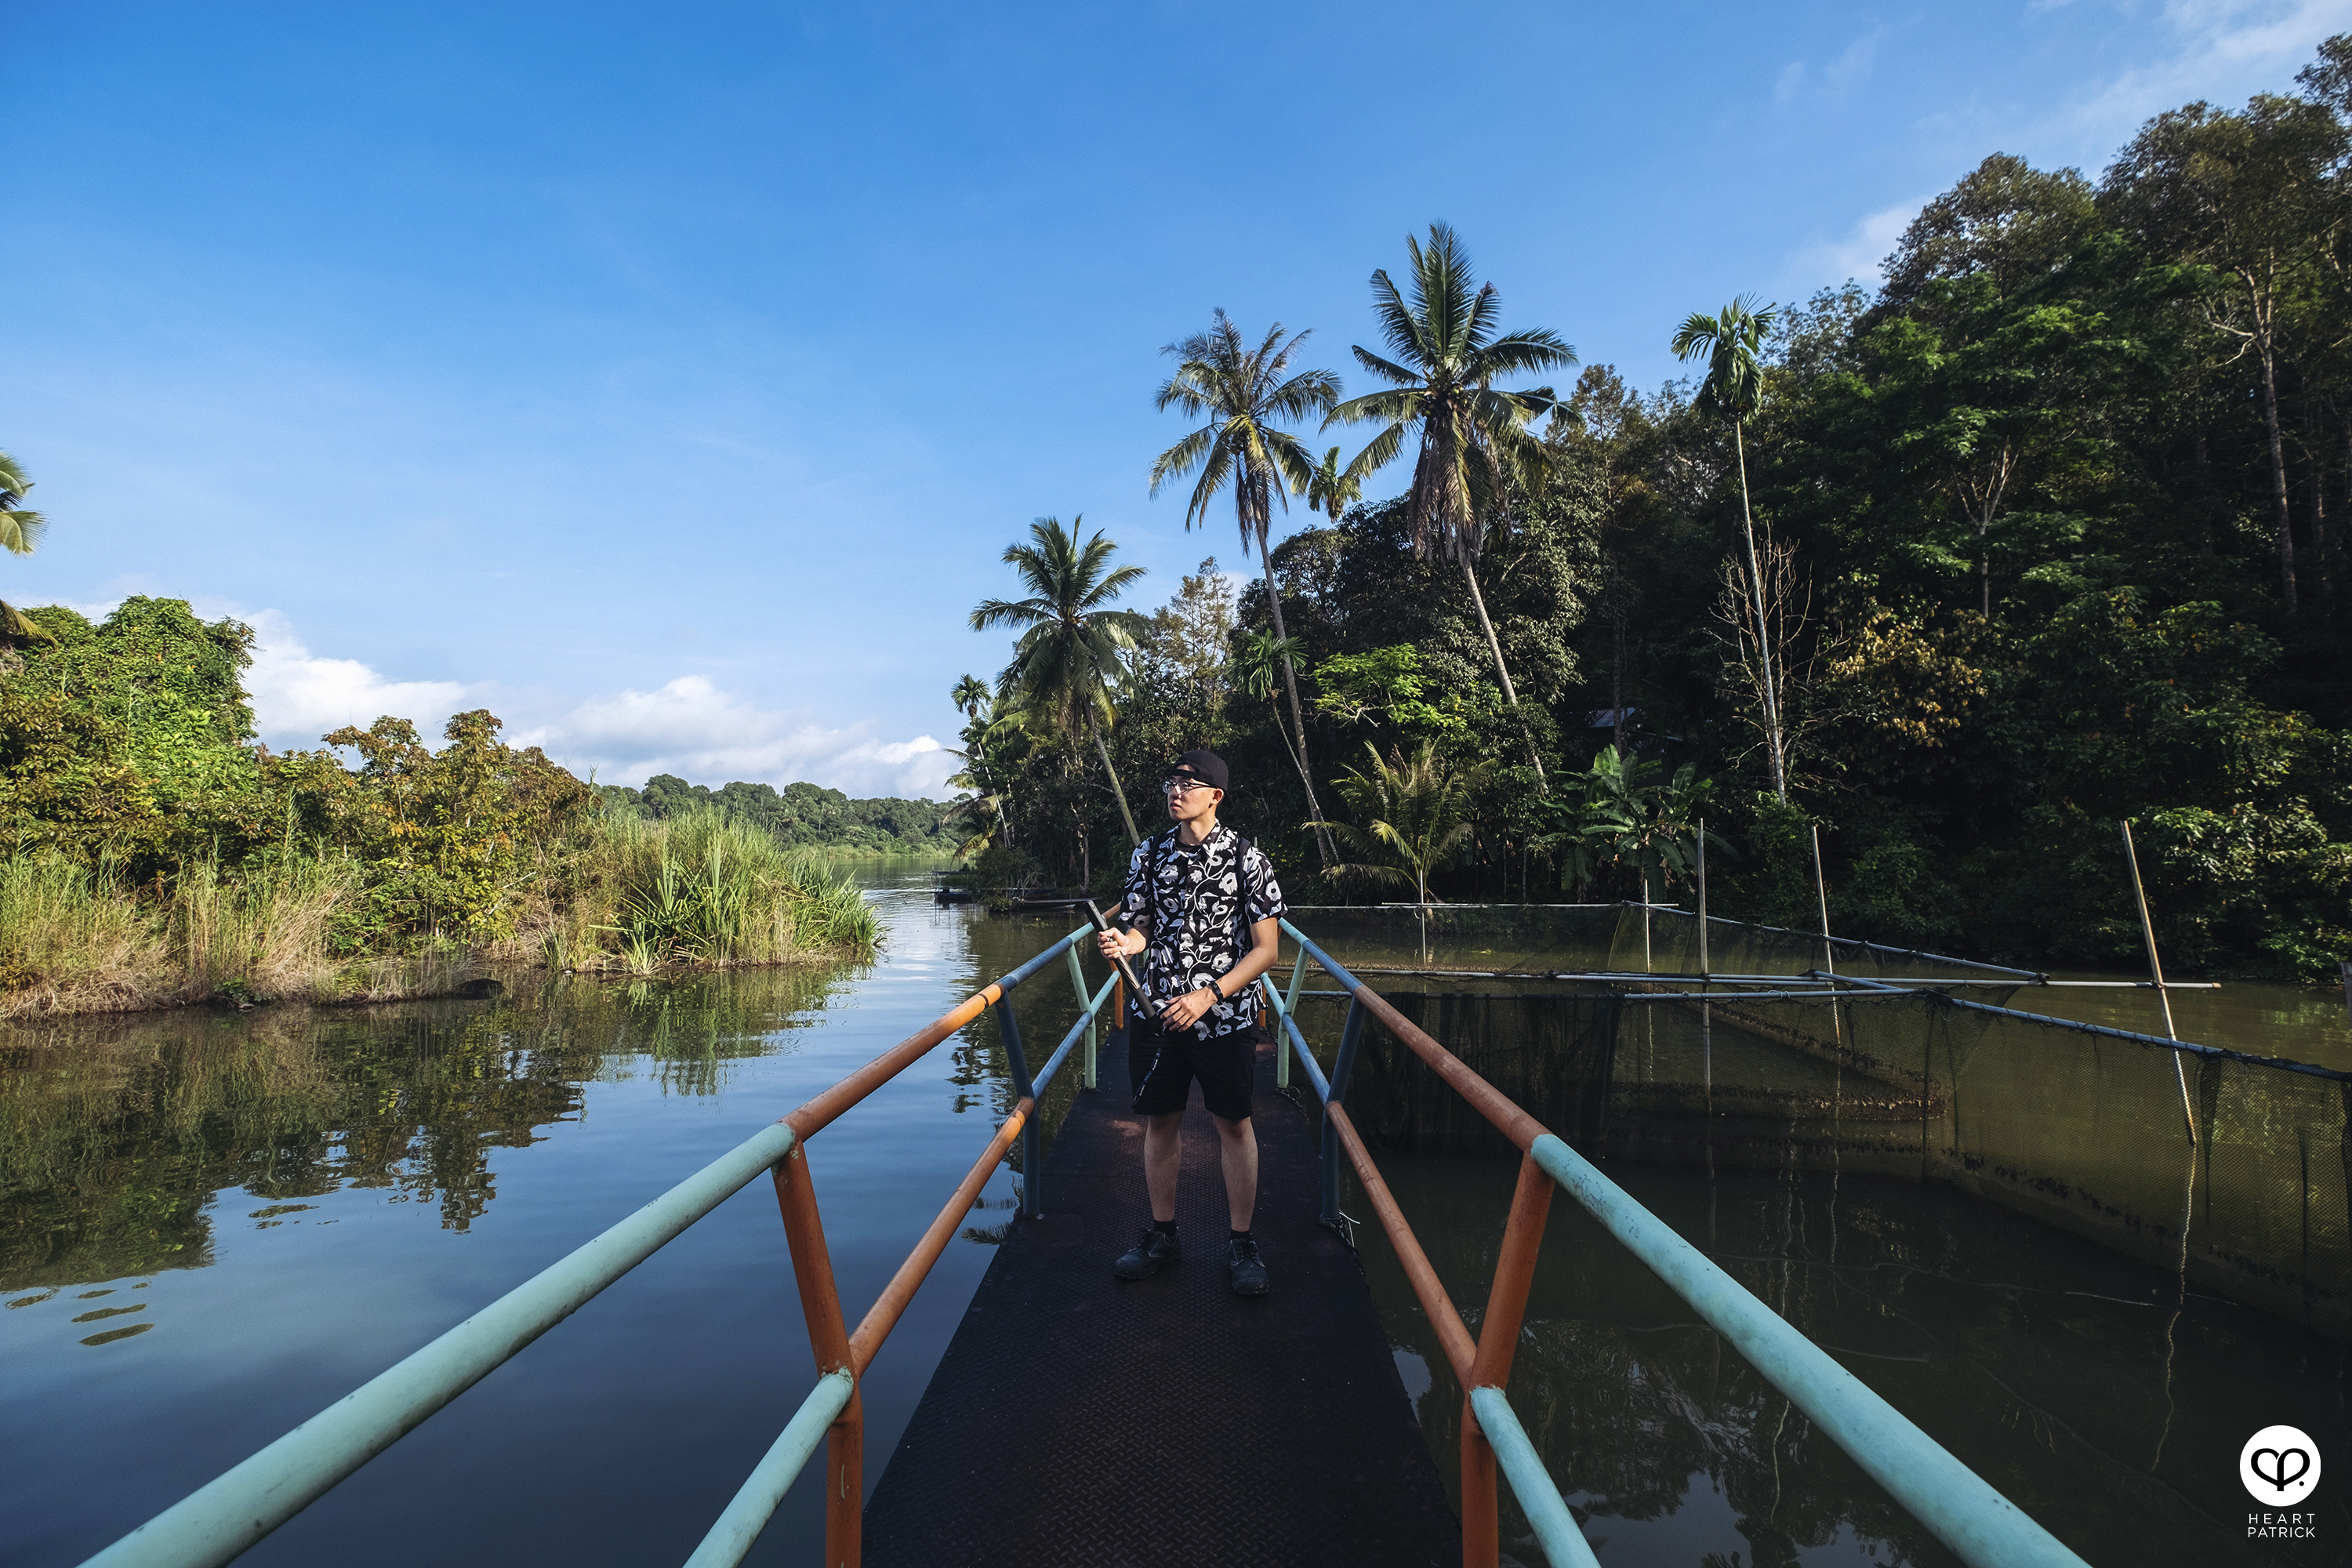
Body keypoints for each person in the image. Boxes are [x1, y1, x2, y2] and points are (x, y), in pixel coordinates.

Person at [1094, 748, 1287, 1296]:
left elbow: (1267, 950)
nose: (1175, 792)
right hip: (1157, 1014)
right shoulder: (1149, 854)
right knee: (1160, 1122)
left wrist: (1210, 994)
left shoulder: (1248, 859)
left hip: (1224, 1017)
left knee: (1234, 1124)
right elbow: (1142, 928)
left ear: (1215, 796)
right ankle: (1162, 1236)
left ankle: (1242, 1242)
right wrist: (1124, 942)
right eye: (1171, 783)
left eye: (1188, 784)